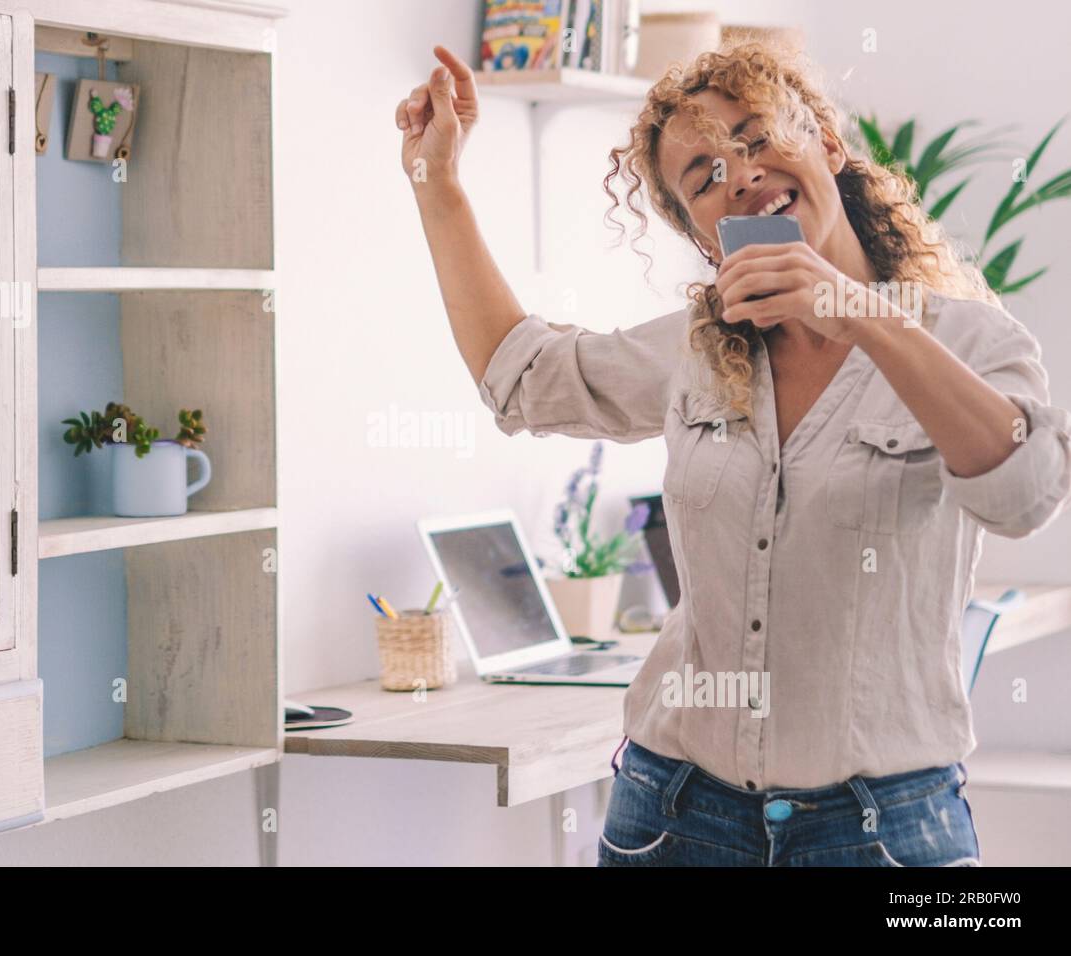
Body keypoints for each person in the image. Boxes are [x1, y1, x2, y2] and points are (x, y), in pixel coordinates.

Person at [396, 41, 1071, 866]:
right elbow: (523, 377)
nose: (740, 174)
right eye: (704, 176)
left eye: (756, 137)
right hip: (675, 816)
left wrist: (858, 312)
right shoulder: (698, 350)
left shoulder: (965, 338)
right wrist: (440, 186)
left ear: (827, 142)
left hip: (885, 831)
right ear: (704, 238)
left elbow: (1026, 492)